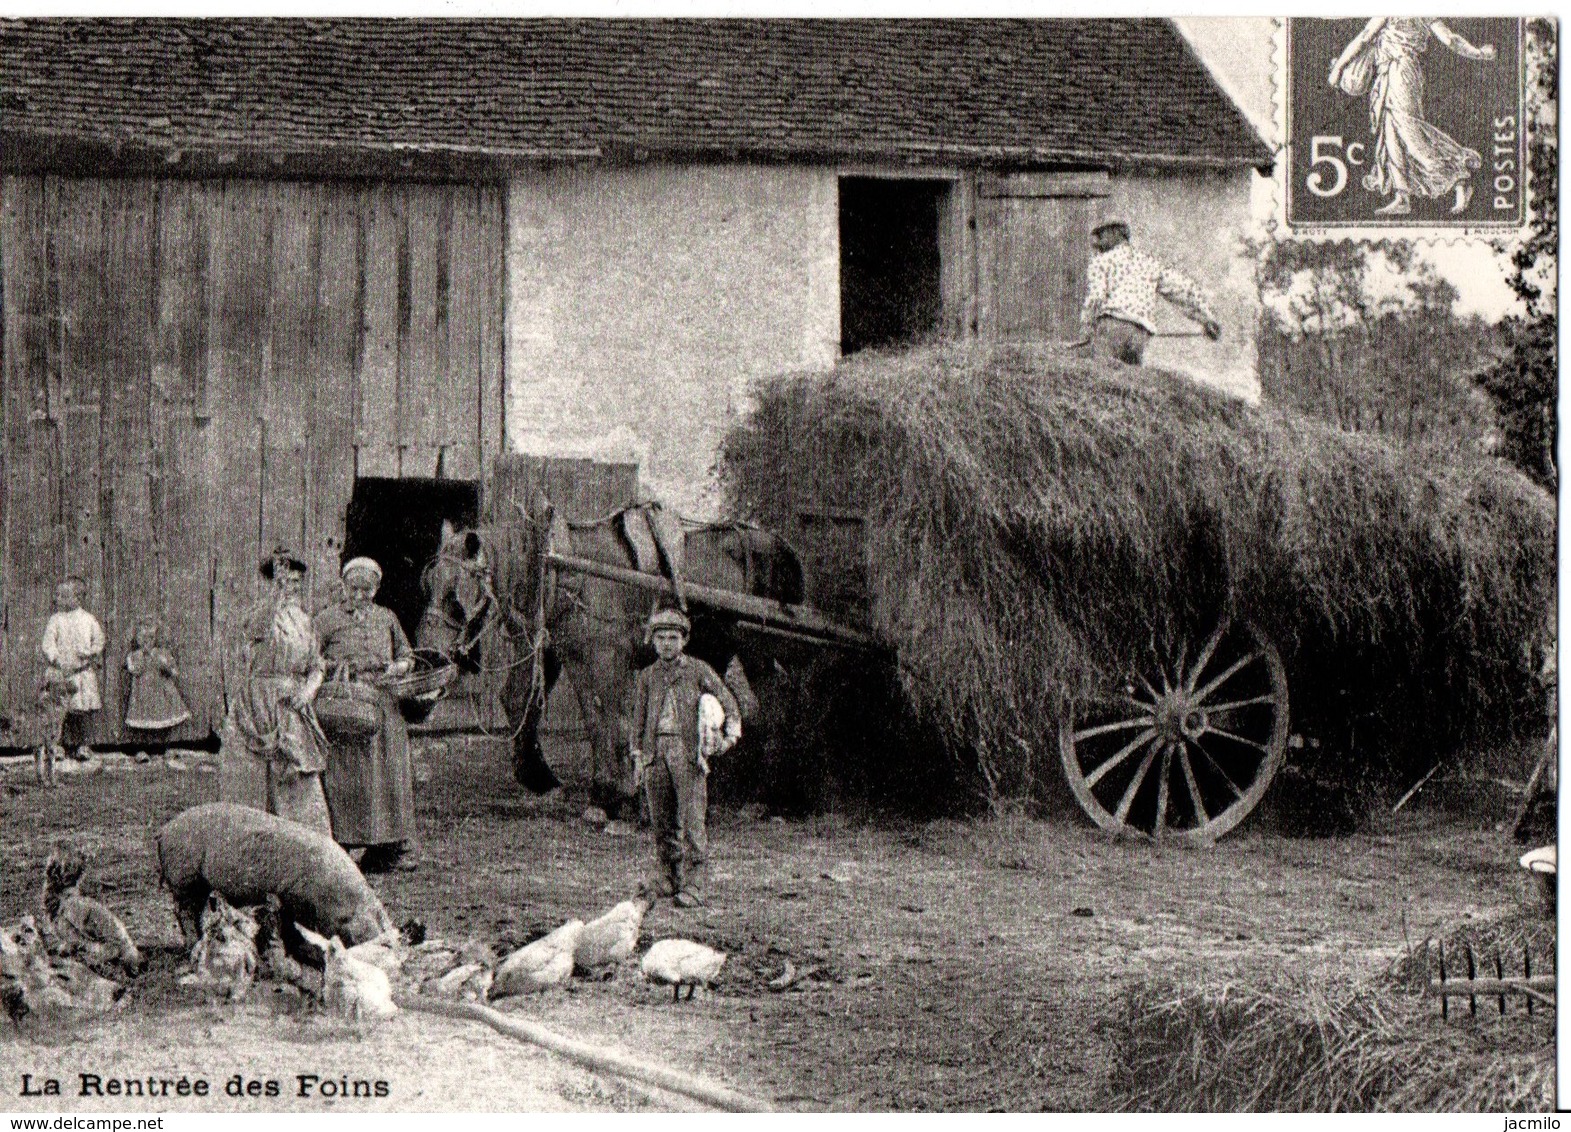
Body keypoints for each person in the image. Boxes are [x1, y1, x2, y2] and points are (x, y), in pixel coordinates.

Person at [629, 608, 741, 907]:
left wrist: (728, 737)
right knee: (661, 821)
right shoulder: (647, 676)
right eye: (661, 638)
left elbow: (729, 702)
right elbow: (638, 720)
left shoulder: (698, 670)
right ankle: (669, 876)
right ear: (652, 641)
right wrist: (638, 755)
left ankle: (695, 884)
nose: (667, 644)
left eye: (673, 638)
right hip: (655, 752)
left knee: (692, 820)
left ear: (684, 640)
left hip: (686, 752)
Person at [1329, 18, 1496, 217]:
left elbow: (1365, 36)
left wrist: (1339, 67)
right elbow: (1450, 39)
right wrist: (1479, 53)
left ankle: (1459, 175)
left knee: (1409, 131)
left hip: (1400, 72)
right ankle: (1402, 196)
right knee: (1391, 132)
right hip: (1393, 73)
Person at [218, 546, 332, 836]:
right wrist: (276, 594)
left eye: (294, 582)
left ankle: (304, 845)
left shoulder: (305, 621)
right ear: (269, 583)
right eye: (282, 581)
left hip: (292, 704)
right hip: (257, 703)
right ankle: (250, 843)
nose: (289, 588)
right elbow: (260, 627)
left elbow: (317, 664)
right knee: (252, 777)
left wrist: (308, 690)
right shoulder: (258, 615)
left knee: (297, 773)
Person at [314, 557, 419, 873]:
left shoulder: (387, 618)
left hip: (383, 706)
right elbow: (309, 659)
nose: (360, 596)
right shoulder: (326, 619)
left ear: (376, 589)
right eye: (354, 589)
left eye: (367, 590)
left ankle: (387, 848)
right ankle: (341, 844)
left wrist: (398, 667)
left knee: (386, 775)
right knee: (345, 775)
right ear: (343, 586)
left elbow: (406, 655)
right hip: (345, 705)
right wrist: (336, 668)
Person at [1080, 220, 1222, 366]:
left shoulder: (1101, 261)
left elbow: (1095, 298)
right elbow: (1184, 289)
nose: (1097, 243)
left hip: (1111, 328)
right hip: (1141, 334)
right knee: (1131, 383)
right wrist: (1208, 318)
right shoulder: (1149, 263)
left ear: (1115, 233)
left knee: (1103, 376)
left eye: (1100, 235)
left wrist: (1086, 330)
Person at [40, 576, 105, 762]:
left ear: (77, 598)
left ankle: (83, 745)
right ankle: (57, 745)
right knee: (60, 712)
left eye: (64, 596)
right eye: (58, 595)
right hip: (61, 672)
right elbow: (48, 643)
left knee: (82, 712)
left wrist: (91, 652)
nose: (58, 599)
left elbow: (99, 640)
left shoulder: (88, 619)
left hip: (81, 672)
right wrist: (55, 658)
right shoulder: (56, 619)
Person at [124, 618, 191, 740]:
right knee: (143, 724)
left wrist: (165, 665)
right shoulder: (134, 655)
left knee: (163, 720)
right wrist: (143, 657)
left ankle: (163, 744)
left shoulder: (162, 653)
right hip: (142, 694)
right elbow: (134, 670)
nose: (146, 642)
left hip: (161, 694)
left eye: (150, 638)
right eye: (143, 638)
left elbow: (174, 672)